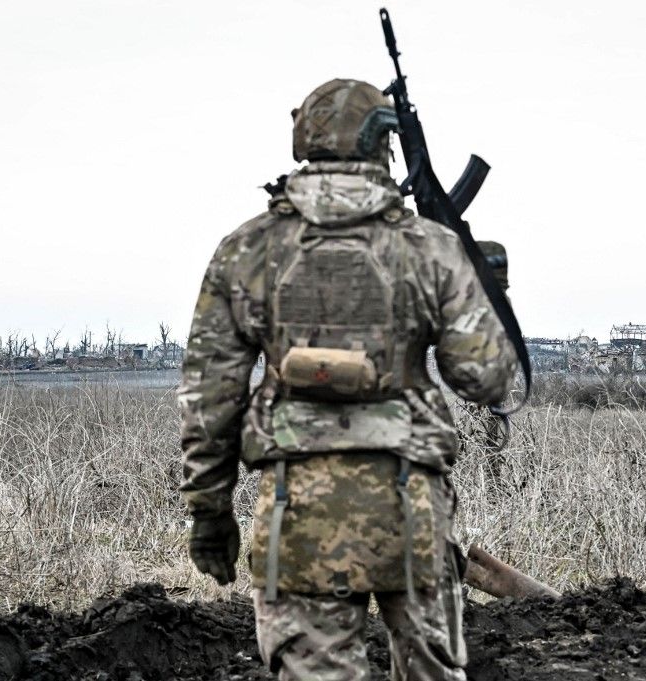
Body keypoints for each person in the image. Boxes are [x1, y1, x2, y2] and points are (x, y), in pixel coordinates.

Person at [178, 78, 518, 681]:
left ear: (303, 140)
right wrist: (488, 292)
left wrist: (209, 514)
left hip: (296, 511)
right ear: (385, 143)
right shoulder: (431, 249)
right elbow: (486, 379)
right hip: (412, 510)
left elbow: (211, 399)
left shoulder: (246, 250)